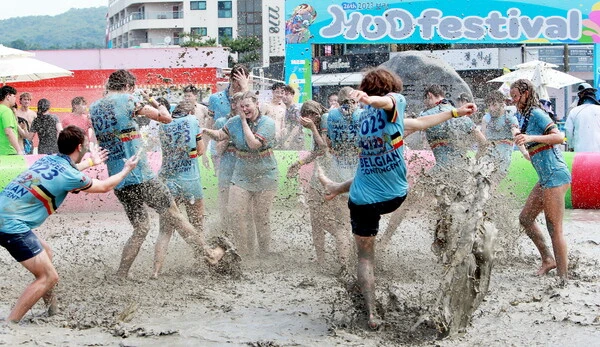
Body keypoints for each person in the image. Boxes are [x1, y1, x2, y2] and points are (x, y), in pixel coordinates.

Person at [316, 67, 478, 329]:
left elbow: (419, 122)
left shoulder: (363, 117)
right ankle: (336, 187)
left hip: (362, 200)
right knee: (386, 159)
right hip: (394, 195)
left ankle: (371, 313)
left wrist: (455, 112)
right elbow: (394, 105)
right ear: (391, 86)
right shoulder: (394, 101)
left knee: (365, 258)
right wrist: (373, 99)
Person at [90, 69, 223, 278]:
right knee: (175, 216)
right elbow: (166, 118)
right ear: (129, 87)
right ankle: (209, 254)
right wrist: (154, 101)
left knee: (141, 228)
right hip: (140, 174)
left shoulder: (94, 107)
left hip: (118, 177)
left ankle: (121, 273)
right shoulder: (128, 99)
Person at [0, 125, 137, 323]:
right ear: (79, 146)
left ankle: (51, 311)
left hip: (4, 214)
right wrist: (126, 169)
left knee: (45, 252)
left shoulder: (48, 160)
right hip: (11, 225)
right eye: (86, 147)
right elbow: (104, 186)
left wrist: (91, 162)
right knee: (49, 277)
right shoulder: (69, 174)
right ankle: (10, 324)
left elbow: (65, 173)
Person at [378, 84, 487, 251]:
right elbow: (483, 144)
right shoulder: (464, 116)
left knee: (407, 202)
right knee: (462, 209)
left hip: (441, 171)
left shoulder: (427, 115)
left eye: (425, 100)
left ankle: (385, 240)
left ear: (430, 96)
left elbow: (403, 134)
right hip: (464, 172)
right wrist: (476, 160)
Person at [510, 78, 571, 282]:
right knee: (525, 219)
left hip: (555, 174)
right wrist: (523, 143)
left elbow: (558, 137)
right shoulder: (522, 116)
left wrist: (530, 138)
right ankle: (548, 259)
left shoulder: (537, 113)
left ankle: (563, 279)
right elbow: (530, 148)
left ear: (526, 94)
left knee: (554, 228)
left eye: (516, 97)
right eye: (512, 98)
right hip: (545, 177)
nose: (514, 101)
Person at [203, 91, 277, 257]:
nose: (244, 109)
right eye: (241, 107)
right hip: (241, 174)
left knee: (260, 217)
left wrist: (243, 121)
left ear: (256, 104)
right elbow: (220, 135)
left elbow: (252, 144)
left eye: (247, 106)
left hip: (265, 175)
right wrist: (204, 130)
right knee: (236, 213)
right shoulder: (233, 121)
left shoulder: (267, 123)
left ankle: (264, 252)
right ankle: (243, 252)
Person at [286, 99, 353, 267]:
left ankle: (343, 259)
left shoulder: (325, 119)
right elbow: (318, 151)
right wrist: (299, 164)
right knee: (316, 219)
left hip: (333, 176)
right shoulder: (320, 121)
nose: (306, 121)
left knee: (334, 222)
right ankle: (323, 260)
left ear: (314, 114)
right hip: (326, 174)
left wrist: (313, 128)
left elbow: (324, 148)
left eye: (307, 117)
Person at [152, 100, 210, 278]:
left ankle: (155, 271)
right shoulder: (192, 121)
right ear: (191, 111)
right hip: (189, 180)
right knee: (197, 226)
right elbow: (199, 151)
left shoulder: (163, 124)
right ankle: (202, 263)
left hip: (167, 181)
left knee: (164, 231)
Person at [206, 64, 250, 169]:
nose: (239, 85)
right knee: (223, 183)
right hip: (220, 150)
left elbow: (254, 115)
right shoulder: (215, 98)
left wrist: (245, 88)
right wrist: (203, 153)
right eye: (237, 81)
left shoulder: (249, 99)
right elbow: (209, 123)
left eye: (243, 81)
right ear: (230, 79)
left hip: (243, 150)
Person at [481, 90, 530, 184]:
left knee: (493, 182)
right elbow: (482, 138)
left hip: (503, 157)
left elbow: (516, 134)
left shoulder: (509, 118)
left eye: (494, 105)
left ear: (502, 104)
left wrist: (524, 152)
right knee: (482, 180)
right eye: (489, 105)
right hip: (488, 154)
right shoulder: (486, 118)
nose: (491, 108)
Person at [214, 92, 243, 235]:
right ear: (233, 105)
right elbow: (218, 150)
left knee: (243, 210)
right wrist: (229, 135)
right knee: (225, 208)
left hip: (245, 172)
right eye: (241, 104)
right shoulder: (221, 122)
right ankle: (225, 236)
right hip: (226, 171)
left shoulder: (250, 123)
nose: (244, 108)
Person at [565, 83, 600, 152]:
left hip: (580, 152)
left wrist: (571, 146)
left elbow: (568, 131)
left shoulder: (574, 111)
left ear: (580, 95)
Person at [0, 86, 23, 155]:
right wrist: (19, 150)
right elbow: (8, 132)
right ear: (8, 96)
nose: (15, 99)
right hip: (8, 151)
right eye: (14, 96)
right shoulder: (6, 111)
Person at [280, 85, 304, 150]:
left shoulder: (295, 109)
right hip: (288, 141)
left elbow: (297, 126)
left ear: (292, 95)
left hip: (296, 142)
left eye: (287, 94)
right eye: (283, 94)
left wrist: (288, 140)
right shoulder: (286, 109)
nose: (284, 97)